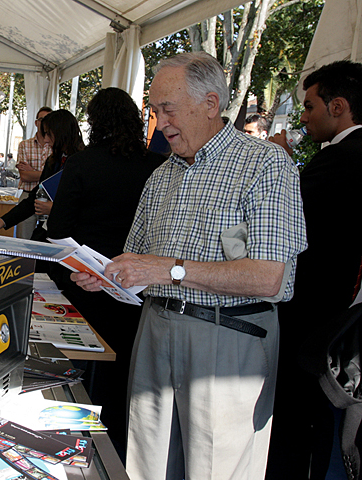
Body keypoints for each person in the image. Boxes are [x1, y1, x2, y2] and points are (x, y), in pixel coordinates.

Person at [71, 52, 307, 479]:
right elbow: (140, 262)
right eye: (155, 111)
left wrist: (169, 270)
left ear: (211, 104)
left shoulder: (266, 166)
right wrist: (105, 275)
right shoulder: (162, 176)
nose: (160, 123)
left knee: (214, 466)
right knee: (148, 462)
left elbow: (267, 277)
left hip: (229, 338)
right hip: (155, 330)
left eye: (168, 109)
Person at [45, 88, 165, 461]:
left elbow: (57, 231)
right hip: (139, 290)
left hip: (86, 285)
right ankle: (115, 452)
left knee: (80, 376)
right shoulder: (157, 165)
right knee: (124, 377)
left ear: (95, 122)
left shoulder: (82, 164)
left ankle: (76, 452)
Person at [266, 60, 362, 480]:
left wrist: (283, 165)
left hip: (316, 314)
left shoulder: (340, 160)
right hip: (340, 310)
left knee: (296, 420)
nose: (303, 117)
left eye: (309, 106)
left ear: (338, 106)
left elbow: (294, 222)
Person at [0, 109, 84, 242]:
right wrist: (4, 220)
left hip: (71, 238)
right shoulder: (53, 161)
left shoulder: (83, 163)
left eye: (49, 134)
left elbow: (87, 208)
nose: (45, 140)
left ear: (61, 133)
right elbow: (35, 196)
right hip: (48, 231)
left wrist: (54, 210)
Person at [15, 106, 52, 239]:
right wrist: (45, 173)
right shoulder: (24, 145)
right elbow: (24, 176)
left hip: (49, 200)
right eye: (42, 119)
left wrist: (33, 172)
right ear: (36, 122)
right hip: (28, 195)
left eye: (48, 119)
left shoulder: (54, 145)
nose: (44, 123)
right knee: (22, 241)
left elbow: (56, 176)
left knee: (45, 238)